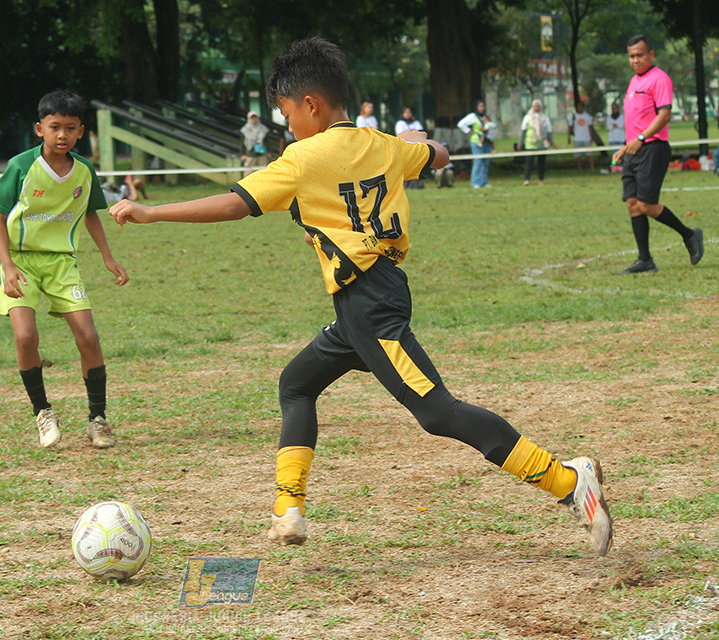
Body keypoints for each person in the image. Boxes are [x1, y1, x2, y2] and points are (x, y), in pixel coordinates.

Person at [109, 36, 613, 558]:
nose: (287, 127)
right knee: (296, 384)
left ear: (311, 106)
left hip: (370, 303)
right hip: (363, 304)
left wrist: (151, 212)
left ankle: (567, 481)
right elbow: (437, 155)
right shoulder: (385, 145)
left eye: (286, 114)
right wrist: (419, 143)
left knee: (438, 413)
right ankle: (288, 510)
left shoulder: (302, 158)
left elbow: (237, 203)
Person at [0, 90, 129, 449]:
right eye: (54, 127)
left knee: (89, 337)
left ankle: (98, 419)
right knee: (24, 337)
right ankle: (43, 412)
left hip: (62, 263)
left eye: (70, 128)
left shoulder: (84, 170)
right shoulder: (22, 166)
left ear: (81, 131)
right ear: (39, 129)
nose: (62, 135)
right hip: (20, 262)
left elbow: (91, 212)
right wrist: (7, 266)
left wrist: (107, 257)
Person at [612, 35, 704, 274]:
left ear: (651, 55)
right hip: (633, 150)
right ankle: (645, 260)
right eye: (632, 56)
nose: (635, 60)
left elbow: (664, 115)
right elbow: (634, 120)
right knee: (632, 204)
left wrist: (640, 140)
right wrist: (625, 147)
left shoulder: (659, 79)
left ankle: (689, 234)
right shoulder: (633, 82)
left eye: (640, 55)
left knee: (646, 204)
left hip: (652, 148)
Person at [457, 100, 495, 188]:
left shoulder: (486, 117)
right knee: (478, 162)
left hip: (486, 142)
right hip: (476, 142)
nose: (482, 108)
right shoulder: (473, 116)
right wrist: (470, 131)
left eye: (483, 106)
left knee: (485, 162)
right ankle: (475, 182)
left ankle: (484, 181)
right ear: (477, 107)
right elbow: (461, 124)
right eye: (480, 106)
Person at [518, 100, 555, 186]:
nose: (536, 108)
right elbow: (523, 131)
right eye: (535, 106)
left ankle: (540, 180)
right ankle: (527, 179)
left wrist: (552, 142)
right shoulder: (527, 117)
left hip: (541, 144)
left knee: (541, 163)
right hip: (530, 144)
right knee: (529, 162)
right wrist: (520, 143)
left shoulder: (545, 118)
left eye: (538, 106)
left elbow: (549, 132)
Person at [568, 100, 596, 173]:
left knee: (589, 154)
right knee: (578, 155)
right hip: (577, 138)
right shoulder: (574, 116)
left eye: (581, 107)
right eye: (578, 107)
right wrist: (568, 137)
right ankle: (580, 168)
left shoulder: (587, 116)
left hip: (586, 137)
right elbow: (570, 127)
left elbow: (590, 127)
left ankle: (592, 168)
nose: (579, 108)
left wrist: (591, 137)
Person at [606, 102, 626, 174]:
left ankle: (621, 167)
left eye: (615, 108)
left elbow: (621, 126)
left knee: (621, 154)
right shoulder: (609, 118)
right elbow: (609, 127)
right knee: (614, 155)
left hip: (621, 138)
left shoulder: (622, 116)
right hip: (612, 139)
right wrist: (615, 125)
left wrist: (615, 125)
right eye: (613, 108)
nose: (614, 110)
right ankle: (614, 167)